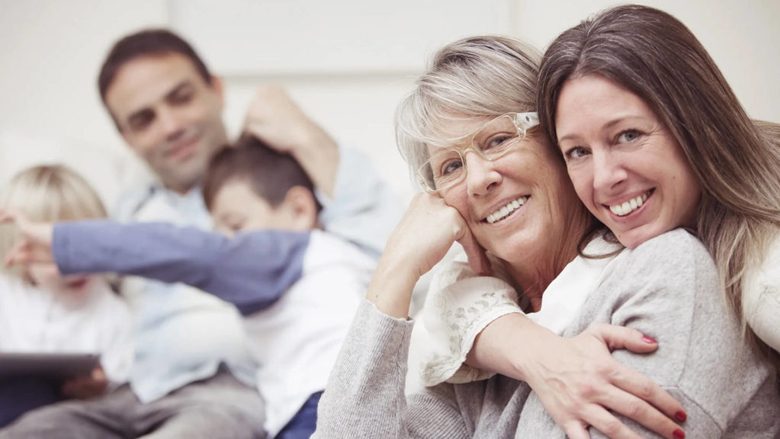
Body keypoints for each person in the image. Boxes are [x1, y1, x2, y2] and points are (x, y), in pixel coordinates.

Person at [311, 28, 780, 439]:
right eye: (451, 167)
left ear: (558, 145)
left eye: (497, 140)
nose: (479, 180)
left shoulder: (668, 269)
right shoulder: (471, 345)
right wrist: (395, 271)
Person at [1, 28, 400, 438]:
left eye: (181, 98)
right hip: (131, 392)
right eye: (144, 120)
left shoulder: (280, 185)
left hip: (228, 394)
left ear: (216, 90)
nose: (170, 126)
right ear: (126, 139)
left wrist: (305, 135)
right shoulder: (128, 205)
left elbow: (392, 256)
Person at [0, 136, 376, 439]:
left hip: (319, 409)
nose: (226, 241)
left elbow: (184, 251)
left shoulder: (286, 252)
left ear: (298, 210)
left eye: (234, 226)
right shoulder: (347, 259)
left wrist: (67, 244)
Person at [0, 165, 133, 427]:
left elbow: (123, 391)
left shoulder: (113, 314)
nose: (74, 265)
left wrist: (100, 390)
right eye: (52, 252)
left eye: (85, 246)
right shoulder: (7, 296)